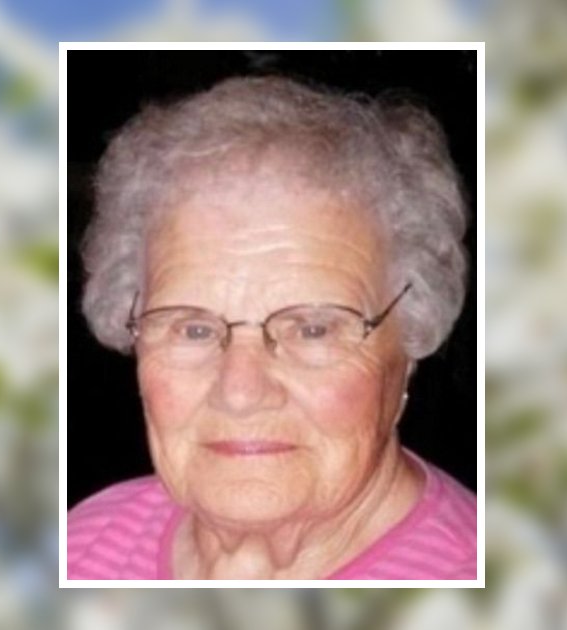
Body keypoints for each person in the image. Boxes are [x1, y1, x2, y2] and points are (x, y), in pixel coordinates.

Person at [67, 75, 475, 580]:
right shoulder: (80, 545)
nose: (240, 392)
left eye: (312, 329)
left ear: (411, 341)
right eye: (194, 329)